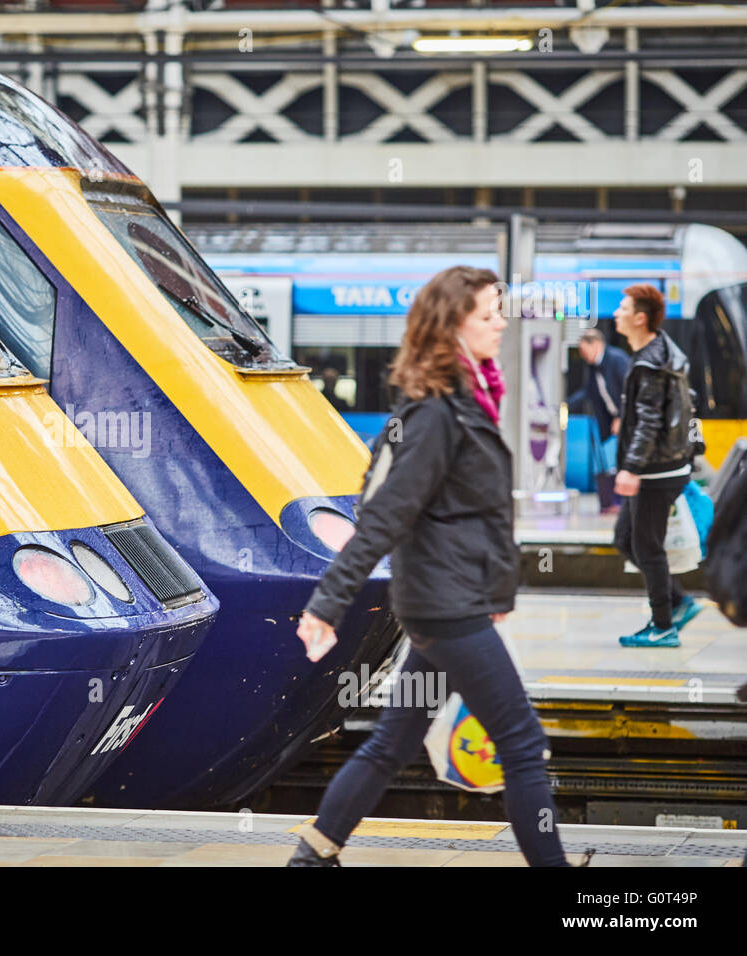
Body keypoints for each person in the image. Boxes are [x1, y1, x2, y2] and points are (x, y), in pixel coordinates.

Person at [288, 266, 571, 868]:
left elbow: (468, 515)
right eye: (489, 314)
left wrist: (495, 584)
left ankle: (313, 856)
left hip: (445, 602)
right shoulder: (437, 415)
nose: (501, 324)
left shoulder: (461, 403)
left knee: (393, 741)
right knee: (522, 743)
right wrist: (326, 605)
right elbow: (383, 515)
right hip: (448, 609)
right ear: (450, 326)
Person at [611, 284, 701, 648]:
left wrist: (631, 467)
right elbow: (687, 402)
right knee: (626, 539)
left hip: (655, 470)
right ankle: (678, 602)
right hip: (668, 464)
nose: (616, 313)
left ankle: (662, 626)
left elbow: (650, 421)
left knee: (647, 545)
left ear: (639, 317)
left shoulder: (649, 362)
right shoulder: (664, 350)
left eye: (622, 308)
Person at [567, 328, 630, 512]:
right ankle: (617, 502)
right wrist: (566, 405)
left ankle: (624, 503)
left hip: (628, 421)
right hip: (614, 421)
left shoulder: (617, 360)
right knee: (619, 458)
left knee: (627, 459)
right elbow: (588, 392)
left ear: (596, 344)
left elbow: (630, 392)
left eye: (583, 349)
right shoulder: (594, 367)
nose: (581, 354)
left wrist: (621, 417)